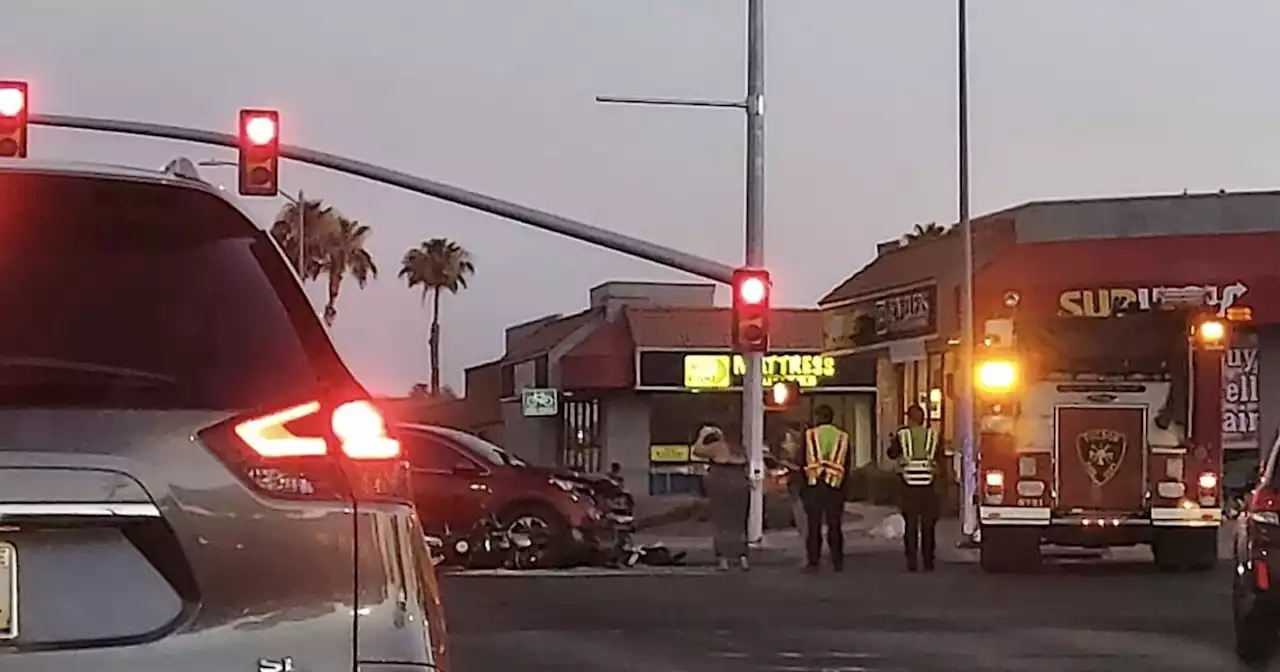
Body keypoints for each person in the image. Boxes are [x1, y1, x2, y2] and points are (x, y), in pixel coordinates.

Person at [886, 404, 940, 572]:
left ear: (909, 419)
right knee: (928, 525)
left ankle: (912, 561)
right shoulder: (933, 435)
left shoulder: (902, 435)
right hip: (928, 486)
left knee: (910, 525)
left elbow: (892, 453)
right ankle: (928, 561)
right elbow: (940, 460)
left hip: (908, 485)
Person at [798, 405, 852, 572]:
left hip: (814, 485)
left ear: (817, 417)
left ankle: (814, 560)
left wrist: (803, 487)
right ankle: (837, 561)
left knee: (814, 526)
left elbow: (802, 462)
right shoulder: (842, 437)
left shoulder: (809, 436)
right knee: (834, 525)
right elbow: (847, 464)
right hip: (835, 487)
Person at [692, 422, 750, 571]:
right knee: (739, 523)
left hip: (721, 483)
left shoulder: (718, 447)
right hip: (740, 485)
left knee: (721, 521)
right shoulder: (741, 450)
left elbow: (697, 450)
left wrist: (703, 435)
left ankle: (723, 560)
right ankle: (742, 557)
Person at [777, 423, 808, 540]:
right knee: (798, 509)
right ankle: (804, 533)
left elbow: (801, 468)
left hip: (800, 484)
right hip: (796, 484)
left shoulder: (804, 451)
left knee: (800, 510)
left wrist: (788, 464)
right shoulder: (796, 450)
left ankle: (805, 534)